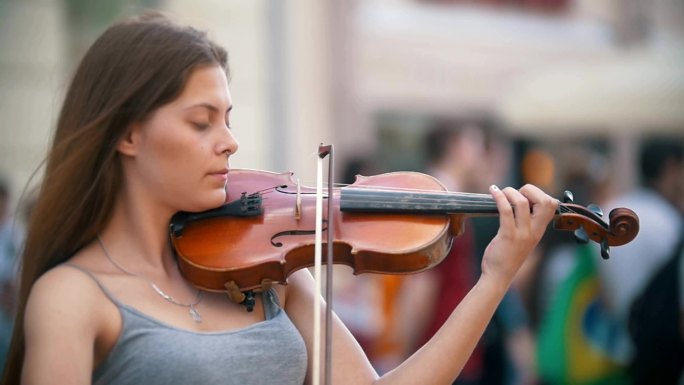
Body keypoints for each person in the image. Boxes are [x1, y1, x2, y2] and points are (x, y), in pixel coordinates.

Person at [1, 12, 558, 385]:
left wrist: (495, 277)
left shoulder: (265, 274)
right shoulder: (73, 297)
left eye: (228, 118)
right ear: (126, 134)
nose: (230, 141)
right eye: (201, 122)